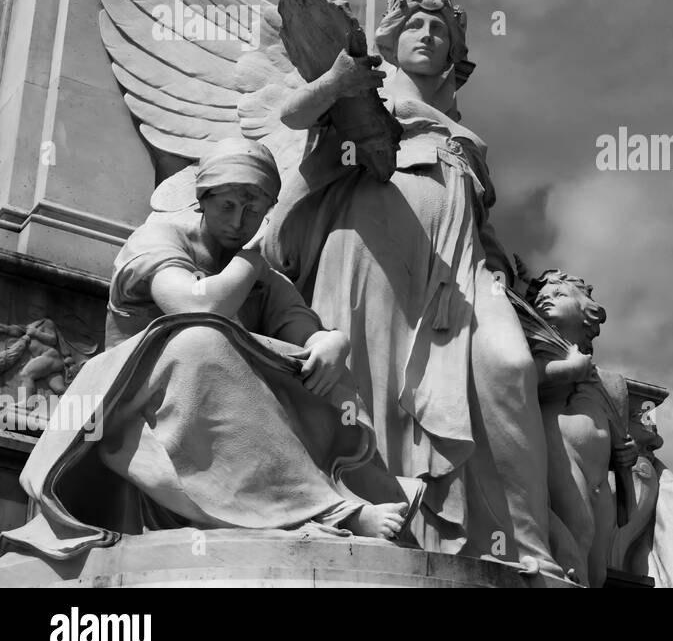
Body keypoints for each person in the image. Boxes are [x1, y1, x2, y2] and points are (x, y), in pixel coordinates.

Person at [267, 0, 561, 576]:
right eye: (415, 25)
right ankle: (364, 511)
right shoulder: (369, 85)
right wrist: (337, 81)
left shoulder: (461, 127)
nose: (427, 34)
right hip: (373, 240)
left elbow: (479, 217)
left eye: (441, 29)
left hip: (464, 266)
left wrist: (506, 276)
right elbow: (294, 116)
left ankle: (524, 548)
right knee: (367, 381)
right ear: (391, 38)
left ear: (455, 52)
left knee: (507, 368)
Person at [0, 139, 407, 560]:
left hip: (199, 396)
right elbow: (197, 307)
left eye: (253, 211)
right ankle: (334, 512)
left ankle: (338, 493)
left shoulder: (258, 272)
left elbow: (303, 328)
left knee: (318, 366)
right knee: (200, 340)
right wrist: (250, 263)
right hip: (124, 403)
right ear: (202, 198)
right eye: (227, 206)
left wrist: (331, 342)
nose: (238, 222)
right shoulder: (158, 239)